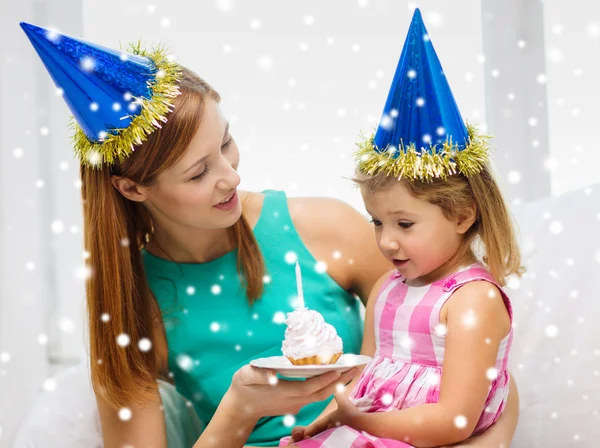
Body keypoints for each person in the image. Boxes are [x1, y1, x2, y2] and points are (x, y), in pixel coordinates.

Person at [21, 19, 519, 448]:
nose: (231, 176)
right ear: (132, 188)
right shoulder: (133, 300)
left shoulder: (328, 229)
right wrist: (237, 412)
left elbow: (478, 370)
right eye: (198, 173)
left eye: (227, 142)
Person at [286, 9, 521, 448]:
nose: (385, 240)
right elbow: (366, 375)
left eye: (405, 223)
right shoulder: (387, 289)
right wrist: (327, 419)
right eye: (377, 222)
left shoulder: (472, 302)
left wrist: (364, 424)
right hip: (374, 432)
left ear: (462, 215)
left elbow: (454, 422)